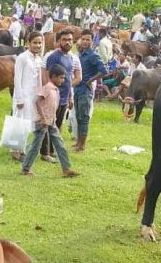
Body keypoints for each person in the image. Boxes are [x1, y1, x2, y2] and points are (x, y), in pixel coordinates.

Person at [21, 64, 79, 178]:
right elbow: (37, 101)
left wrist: (52, 119)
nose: (63, 80)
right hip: (42, 122)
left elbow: (52, 106)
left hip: (51, 122)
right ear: (53, 76)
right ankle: (25, 168)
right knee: (36, 146)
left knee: (60, 144)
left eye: (63, 78)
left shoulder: (55, 89)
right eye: (61, 77)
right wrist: (42, 118)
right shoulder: (47, 88)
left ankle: (66, 169)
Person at [40, 29, 82, 162]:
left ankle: (52, 150)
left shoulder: (71, 57)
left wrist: (70, 97)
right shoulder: (54, 57)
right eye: (64, 40)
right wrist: (50, 94)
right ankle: (44, 152)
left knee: (57, 125)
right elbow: (49, 77)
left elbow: (69, 80)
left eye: (70, 40)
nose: (68, 42)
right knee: (48, 124)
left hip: (64, 97)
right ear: (59, 41)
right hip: (54, 97)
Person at [10, 32, 44, 161]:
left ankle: (22, 149)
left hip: (33, 96)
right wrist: (19, 98)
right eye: (34, 42)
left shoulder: (39, 59)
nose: (37, 45)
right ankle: (15, 151)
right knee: (19, 122)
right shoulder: (22, 58)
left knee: (28, 123)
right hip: (23, 95)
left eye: (39, 43)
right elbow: (17, 78)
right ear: (28, 43)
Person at [74, 29, 107, 152]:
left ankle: (82, 145)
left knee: (84, 117)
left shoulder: (93, 55)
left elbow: (103, 71)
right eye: (83, 39)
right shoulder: (80, 54)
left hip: (85, 90)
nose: (85, 42)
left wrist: (90, 80)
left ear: (92, 41)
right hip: (77, 89)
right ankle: (78, 142)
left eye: (88, 39)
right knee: (78, 116)